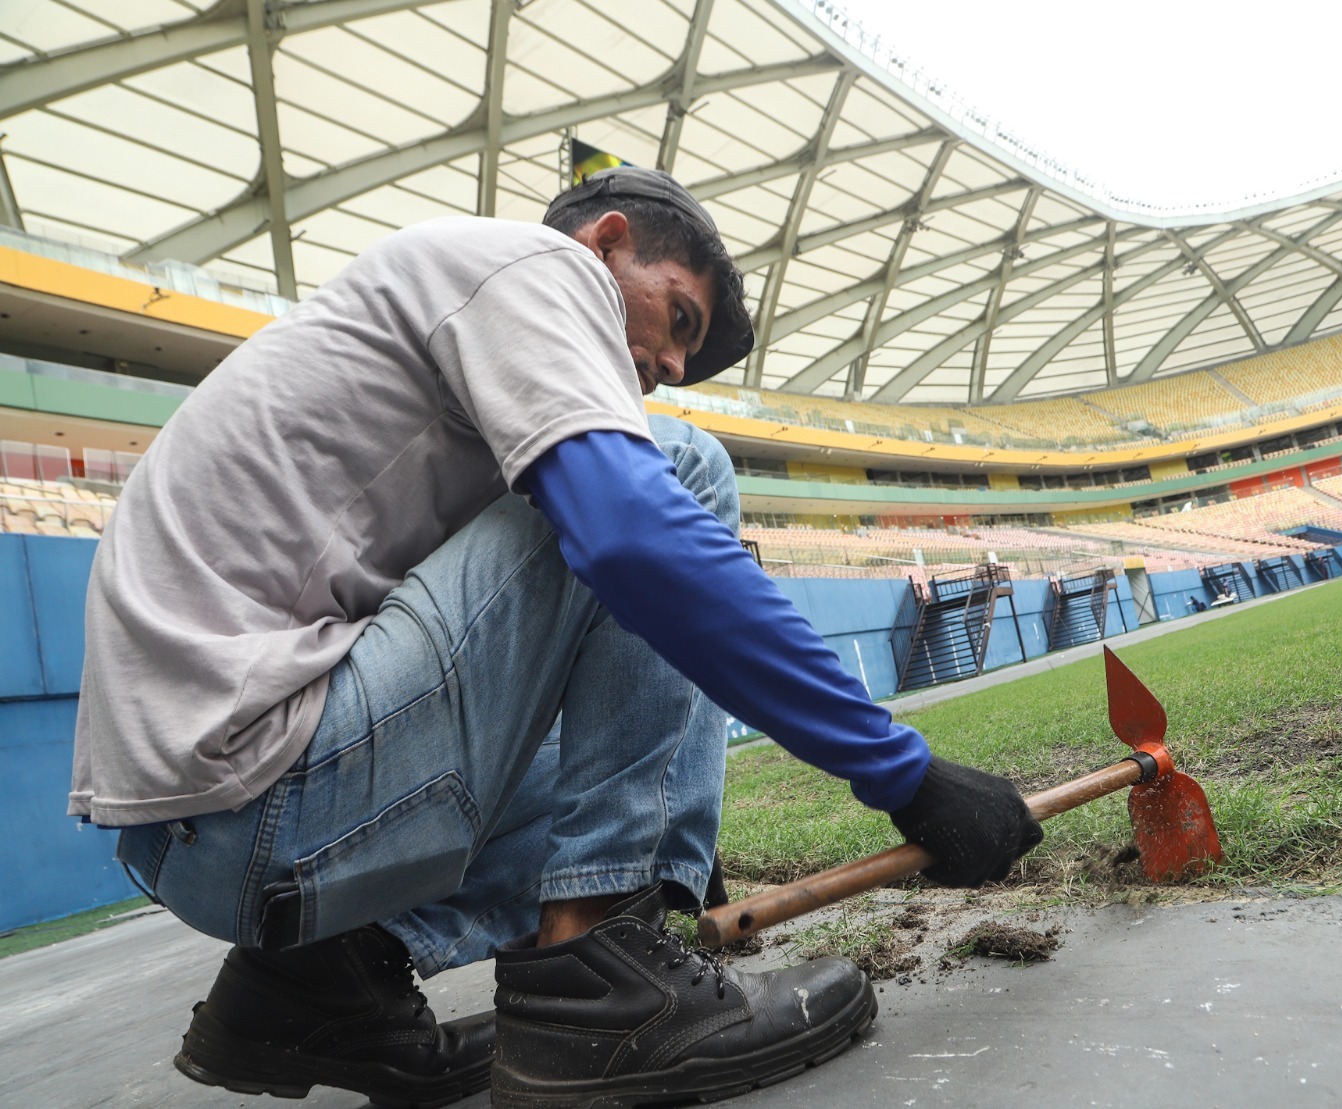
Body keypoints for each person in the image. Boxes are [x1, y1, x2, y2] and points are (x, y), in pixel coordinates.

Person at [69, 167, 1042, 1109]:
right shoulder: (531, 266)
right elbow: (633, 539)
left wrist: (661, 821)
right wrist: (899, 772)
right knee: (676, 466)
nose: (667, 367)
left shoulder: (444, 350)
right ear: (607, 241)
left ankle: (318, 984)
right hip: (262, 788)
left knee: (621, 546)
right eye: (679, 322)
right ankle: (599, 984)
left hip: (204, 830)